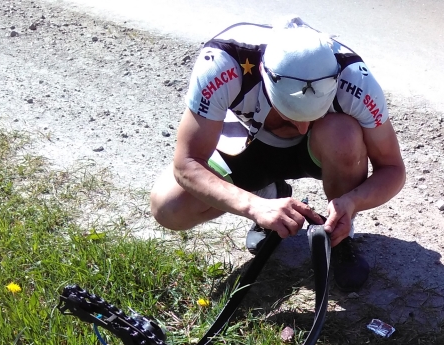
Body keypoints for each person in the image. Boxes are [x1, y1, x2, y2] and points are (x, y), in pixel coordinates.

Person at [149, 17, 406, 291]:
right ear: (263, 73)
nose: (302, 127)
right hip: (248, 144)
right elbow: (187, 164)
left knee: (342, 134)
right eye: (290, 113)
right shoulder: (225, 61)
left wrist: (352, 201)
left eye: (314, 114)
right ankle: (268, 194)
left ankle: (340, 236)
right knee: (169, 207)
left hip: (319, 148)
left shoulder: (356, 79)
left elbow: (393, 169)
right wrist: (254, 206)